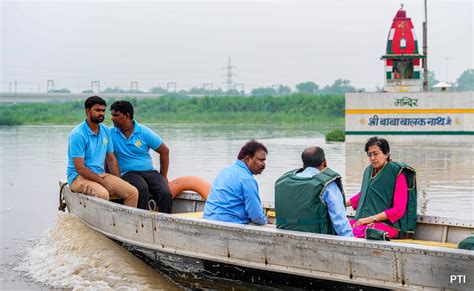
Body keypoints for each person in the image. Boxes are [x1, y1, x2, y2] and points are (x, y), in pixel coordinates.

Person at [67, 96, 138, 207]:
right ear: (88, 111)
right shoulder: (78, 134)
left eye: (103, 110)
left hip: (100, 174)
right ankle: (103, 223)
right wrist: (104, 183)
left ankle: (124, 222)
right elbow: (79, 168)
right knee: (103, 194)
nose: (101, 113)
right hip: (78, 177)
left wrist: (118, 181)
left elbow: (111, 158)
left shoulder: (105, 130)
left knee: (132, 192)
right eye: (97, 110)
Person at [346, 137, 417, 239]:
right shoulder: (368, 171)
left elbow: (398, 210)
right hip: (364, 223)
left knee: (356, 232)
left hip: (388, 226)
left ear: (386, 154)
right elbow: (364, 195)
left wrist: (369, 219)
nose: (372, 158)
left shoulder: (397, 173)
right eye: (369, 154)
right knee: (340, 227)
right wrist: (340, 203)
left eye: (376, 153)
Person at [109, 100, 172, 213]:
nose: (112, 118)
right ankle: (142, 223)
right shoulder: (110, 133)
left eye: (116, 115)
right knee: (141, 188)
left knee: (165, 192)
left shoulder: (143, 132)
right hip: (128, 173)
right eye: (112, 115)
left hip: (149, 172)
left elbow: (164, 151)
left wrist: (163, 176)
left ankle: (165, 222)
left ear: (127, 115)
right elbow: (106, 157)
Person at [275, 146, 353, 237]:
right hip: (320, 242)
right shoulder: (327, 184)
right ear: (324, 162)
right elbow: (340, 223)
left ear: (303, 164)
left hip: (285, 239)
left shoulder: (282, 182)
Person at [203, 140, 268, 225]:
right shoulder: (247, 179)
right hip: (229, 224)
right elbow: (256, 216)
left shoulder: (225, 171)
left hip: (207, 219)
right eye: (261, 160)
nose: (264, 164)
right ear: (247, 159)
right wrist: (265, 221)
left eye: (264, 161)